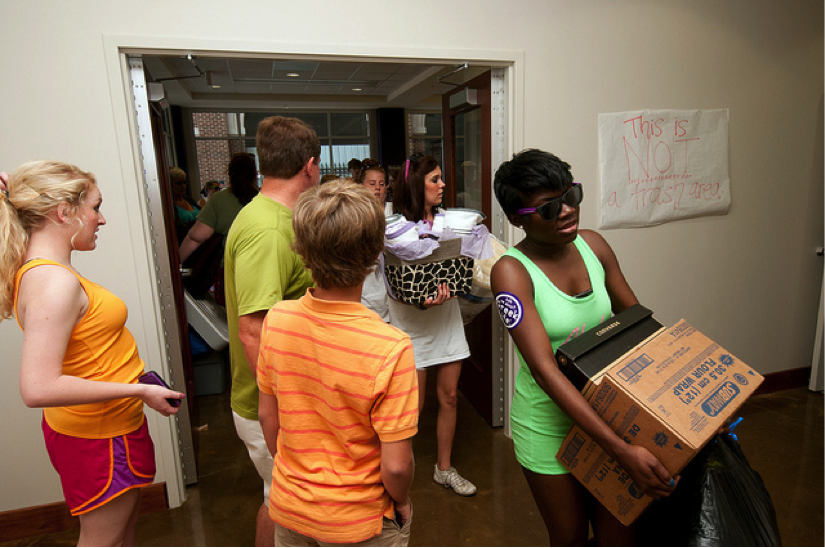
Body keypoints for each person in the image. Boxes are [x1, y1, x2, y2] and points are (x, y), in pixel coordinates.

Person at [489, 149, 677, 546]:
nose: (567, 211)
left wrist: (684, 399)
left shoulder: (594, 246)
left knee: (619, 536)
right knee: (570, 537)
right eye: (549, 208)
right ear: (515, 219)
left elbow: (640, 326)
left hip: (612, 415)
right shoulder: (511, 272)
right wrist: (620, 450)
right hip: (549, 427)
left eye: (571, 196)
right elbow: (544, 371)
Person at [0, 161, 185, 547]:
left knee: (121, 533)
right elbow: (37, 388)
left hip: (107, 428)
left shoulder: (47, 272)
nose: (101, 219)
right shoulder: (53, 282)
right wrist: (139, 391)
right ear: (64, 212)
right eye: (96, 207)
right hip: (99, 437)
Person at [257, 180, 417, 546]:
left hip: (291, 508)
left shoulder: (278, 319)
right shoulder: (391, 347)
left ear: (302, 249)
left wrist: (299, 477)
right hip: (358, 520)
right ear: (376, 252)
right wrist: (402, 500)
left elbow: (269, 418)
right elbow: (396, 466)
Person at [223, 116, 319, 547]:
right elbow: (253, 331)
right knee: (291, 510)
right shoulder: (266, 229)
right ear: (310, 167)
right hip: (272, 403)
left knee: (276, 500)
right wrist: (277, 409)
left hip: (278, 398)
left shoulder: (274, 217)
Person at [390, 154, 477, 496]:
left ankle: (444, 468)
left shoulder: (450, 223)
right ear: (416, 185)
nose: (442, 185)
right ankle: (400, 473)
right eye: (434, 180)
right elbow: (391, 281)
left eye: (441, 179)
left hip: (446, 319)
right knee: (413, 406)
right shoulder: (394, 228)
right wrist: (416, 298)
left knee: (451, 396)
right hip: (410, 325)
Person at [178, 153, 259, 264]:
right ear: (255, 174)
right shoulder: (264, 199)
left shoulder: (219, 200)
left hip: (231, 268)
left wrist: (177, 264)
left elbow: (197, 236)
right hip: (264, 265)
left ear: (230, 174)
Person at [358, 165, 391, 322]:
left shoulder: (396, 213)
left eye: (382, 183)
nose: (377, 188)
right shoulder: (355, 215)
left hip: (394, 296)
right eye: (372, 183)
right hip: (367, 293)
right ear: (361, 186)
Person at [170, 166, 199, 243]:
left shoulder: (189, 200)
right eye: (178, 183)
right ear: (170, 185)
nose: (183, 186)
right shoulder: (169, 206)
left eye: (184, 182)